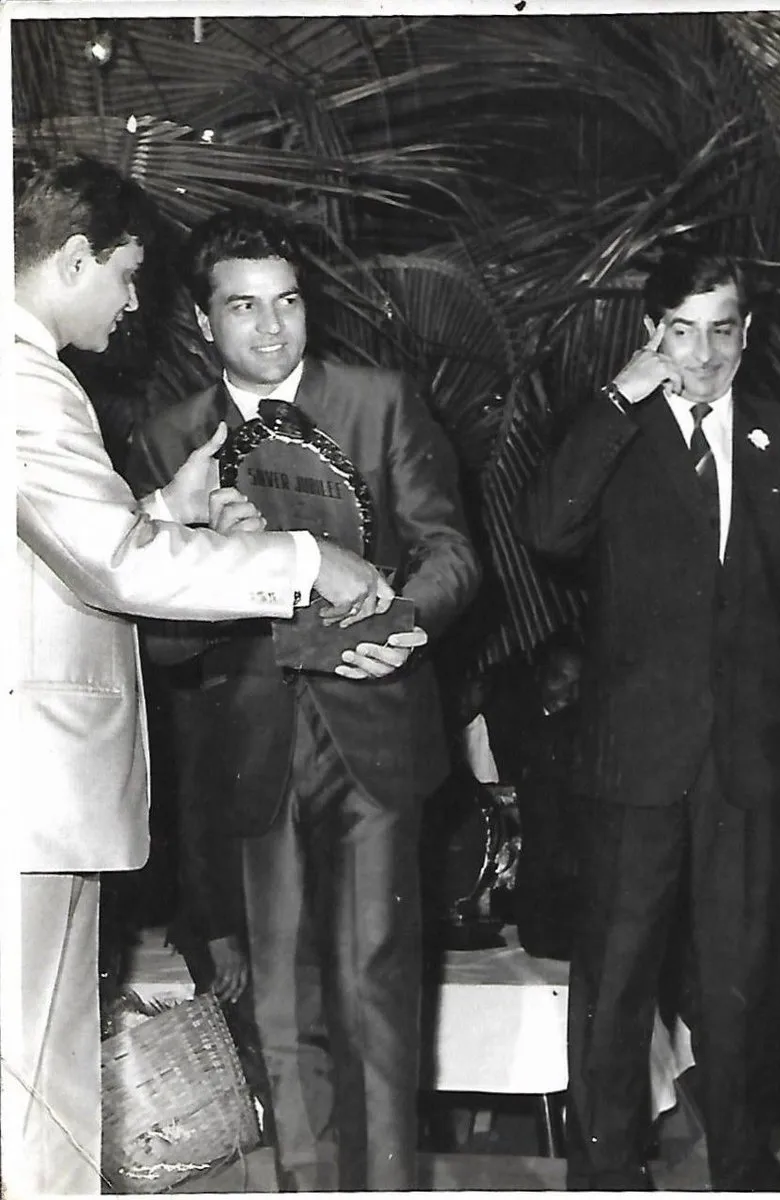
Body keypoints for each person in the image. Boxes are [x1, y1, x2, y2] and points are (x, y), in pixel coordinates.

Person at [7, 158, 396, 1197]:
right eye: (124, 277)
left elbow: (67, 540)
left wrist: (161, 508)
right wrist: (308, 562)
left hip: (38, 791)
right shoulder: (25, 377)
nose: (132, 303)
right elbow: (112, 564)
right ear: (75, 260)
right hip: (31, 787)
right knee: (37, 1076)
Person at [124, 206, 480, 1191]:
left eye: (286, 303)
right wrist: (208, 556)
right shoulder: (165, 443)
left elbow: (450, 550)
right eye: (244, 308)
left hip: (371, 730)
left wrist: (403, 626)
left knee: (374, 992)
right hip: (250, 747)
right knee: (277, 1009)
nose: (272, 329)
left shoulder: (380, 401)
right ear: (204, 323)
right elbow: (157, 638)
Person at [514, 249, 780, 1191]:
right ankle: (608, 1173)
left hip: (752, 765)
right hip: (636, 759)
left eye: (724, 330)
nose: (702, 355)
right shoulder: (614, 432)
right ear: (652, 332)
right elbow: (546, 529)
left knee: (744, 983)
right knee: (616, 982)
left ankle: (744, 1167)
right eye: (681, 331)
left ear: (747, 335)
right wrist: (621, 397)